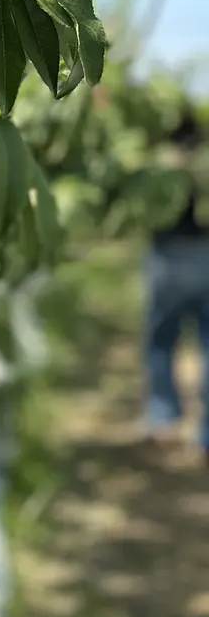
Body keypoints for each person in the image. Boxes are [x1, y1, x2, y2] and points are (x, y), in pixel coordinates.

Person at [142, 109, 209, 452]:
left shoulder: (156, 162)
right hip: (205, 254)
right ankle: (205, 433)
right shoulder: (203, 164)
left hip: (167, 257)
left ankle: (163, 417)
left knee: (161, 339)